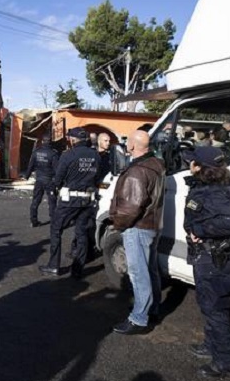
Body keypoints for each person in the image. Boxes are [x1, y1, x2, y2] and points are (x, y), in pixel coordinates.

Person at [181, 146, 230, 378]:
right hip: (205, 256)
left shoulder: (214, 193)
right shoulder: (206, 188)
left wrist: (199, 229)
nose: (189, 164)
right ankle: (211, 344)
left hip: (213, 257)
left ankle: (225, 362)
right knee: (207, 303)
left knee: (216, 308)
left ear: (200, 167)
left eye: (193, 162)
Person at [110, 129, 166, 335]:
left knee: (138, 273)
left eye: (128, 142)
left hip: (137, 227)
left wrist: (118, 223)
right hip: (153, 225)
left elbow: (130, 208)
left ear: (132, 146)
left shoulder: (137, 171)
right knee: (150, 270)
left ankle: (139, 318)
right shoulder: (157, 165)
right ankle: (152, 308)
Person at [39, 127, 100, 279]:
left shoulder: (68, 155)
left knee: (56, 229)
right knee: (81, 233)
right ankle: (78, 269)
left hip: (69, 200)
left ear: (73, 140)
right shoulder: (96, 155)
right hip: (88, 200)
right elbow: (98, 176)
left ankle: (54, 266)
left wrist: (54, 187)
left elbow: (58, 179)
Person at [23, 133, 59, 228]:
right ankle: (53, 222)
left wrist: (26, 176)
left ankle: (33, 221)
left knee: (35, 201)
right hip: (49, 181)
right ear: (50, 142)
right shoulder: (53, 153)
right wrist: (59, 182)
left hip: (39, 180)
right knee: (52, 202)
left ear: (42, 141)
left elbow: (30, 165)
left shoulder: (36, 152)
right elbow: (57, 169)